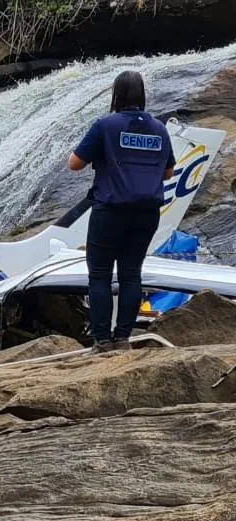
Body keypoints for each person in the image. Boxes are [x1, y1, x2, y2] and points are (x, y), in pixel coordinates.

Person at [69, 70, 175, 352]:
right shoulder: (160, 128)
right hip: (147, 212)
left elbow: (74, 163)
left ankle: (102, 340)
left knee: (100, 273)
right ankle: (123, 338)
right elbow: (168, 172)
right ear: (142, 95)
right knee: (131, 274)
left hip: (111, 210)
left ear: (116, 95)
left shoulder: (106, 125)